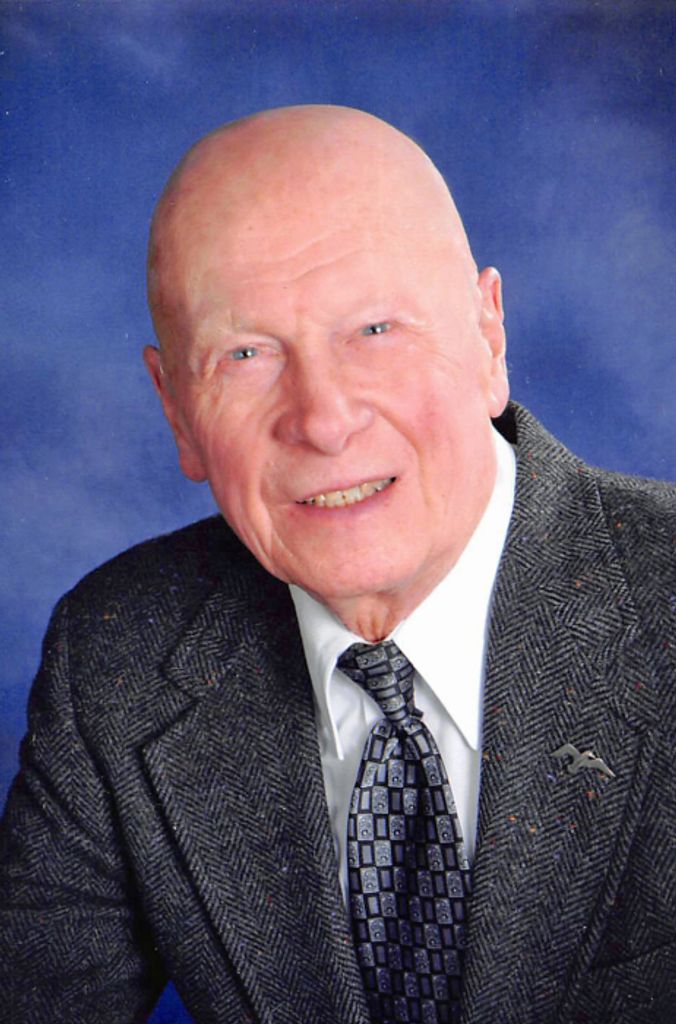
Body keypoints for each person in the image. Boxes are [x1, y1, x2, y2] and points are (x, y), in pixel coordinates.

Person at [0, 105, 673, 1024]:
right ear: (176, 410)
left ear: (488, 337)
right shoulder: (116, 655)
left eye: (375, 329)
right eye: (245, 354)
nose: (322, 419)